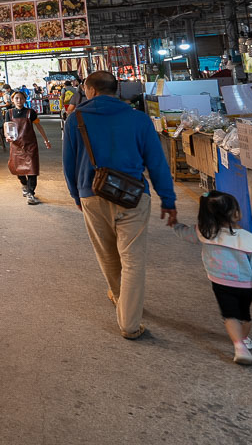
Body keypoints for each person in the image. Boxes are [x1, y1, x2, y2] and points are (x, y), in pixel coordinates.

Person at [63, 71, 176, 339]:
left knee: (107, 254)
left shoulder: (75, 118)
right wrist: (168, 200)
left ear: (89, 89)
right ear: (117, 90)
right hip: (133, 197)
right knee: (133, 260)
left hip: (92, 195)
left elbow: (69, 164)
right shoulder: (138, 119)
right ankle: (129, 322)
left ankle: (118, 296)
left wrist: (77, 196)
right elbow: (157, 163)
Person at [172, 192, 252, 365]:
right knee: (245, 316)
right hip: (246, 287)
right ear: (236, 213)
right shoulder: (250, 241)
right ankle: (242, 340)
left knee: (230, 315)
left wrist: (175, 225)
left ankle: (239, 346)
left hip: (220, 283)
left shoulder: (205, 233)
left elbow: (187, 234)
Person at [4, 91, 51, 205]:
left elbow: (39, 126)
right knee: (18, 169)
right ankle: (24, 184)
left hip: (30, 145)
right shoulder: (9, 113)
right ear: (13, 100)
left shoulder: (31, 113)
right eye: (16, 98)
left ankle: (31, 194)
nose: (19, 101)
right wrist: (7, 137)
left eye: (21, 98)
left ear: (25, 100)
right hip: (16, 145)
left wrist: (46, 140)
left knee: (32, 170)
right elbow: (7, 127)